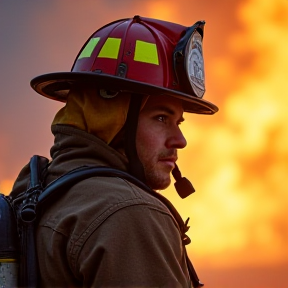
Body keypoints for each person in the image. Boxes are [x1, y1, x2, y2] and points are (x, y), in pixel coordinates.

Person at [12, 15, 218, 287]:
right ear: (112, 118)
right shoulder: (129, 215)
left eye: (178, 122)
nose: (180, 140)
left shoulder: (35, 191)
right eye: (161, 118)